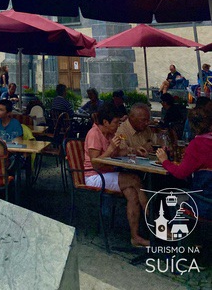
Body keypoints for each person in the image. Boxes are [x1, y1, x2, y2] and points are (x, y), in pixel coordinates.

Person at [84, 104, 149, 247]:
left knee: (132, 193)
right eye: (116, 122)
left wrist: (134, 150)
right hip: (94, 176)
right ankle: (152, 220)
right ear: (106, 122)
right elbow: (96, 163)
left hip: (107, 174)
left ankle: (135, 236)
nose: (118, 125)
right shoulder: (94, 134)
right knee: (135, 179)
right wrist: (111, 148)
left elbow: (118, 153)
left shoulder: (110, 134)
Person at [157, 102, 212, 220]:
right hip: (208, 198)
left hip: (204, 203)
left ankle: (167, 228)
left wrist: (165, 161)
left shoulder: (197, 145)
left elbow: (180, 173)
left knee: (164, 192)